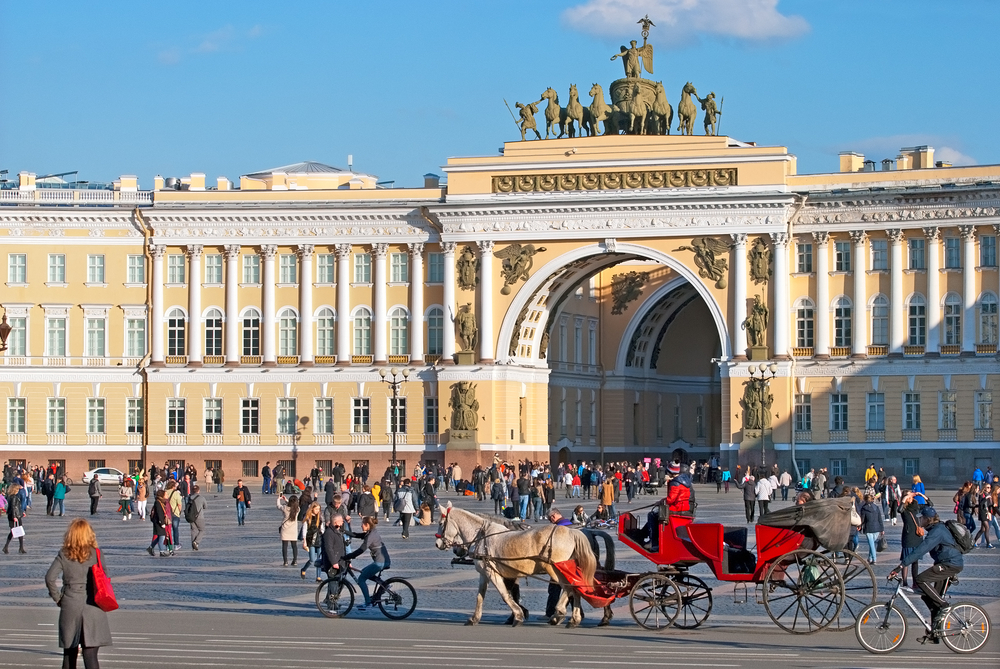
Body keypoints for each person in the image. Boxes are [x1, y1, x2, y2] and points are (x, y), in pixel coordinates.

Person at [45, 519, 113, 668]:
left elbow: (50, 578)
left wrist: (58, 598)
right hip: (93, 605)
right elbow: (105, 577)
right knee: (91, 655)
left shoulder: (64, 554)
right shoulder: (96, 553)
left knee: (69, 654)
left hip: (70, 603)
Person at [890, 506, 964, 642]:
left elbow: (921, 550)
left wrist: (901, 565)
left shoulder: (937, 531)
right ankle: (934, 635)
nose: (919, 520)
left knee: (921, 579)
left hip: (950, 564)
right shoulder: (935, 529)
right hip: (944, 563)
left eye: (921, 518)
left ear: (927, 519)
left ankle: (944, 606)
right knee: (929, 597)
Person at [346, 516, 390, 612]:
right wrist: (345, 531)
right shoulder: (371, 532)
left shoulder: (371, 536)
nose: (361, 525)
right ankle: (384, 584)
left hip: (380, 562)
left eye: (362, 524)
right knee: (364, 571)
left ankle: (368, 603)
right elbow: (358, 535)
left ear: (367, 525)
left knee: (361, 579)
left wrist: (348, 556)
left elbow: (361, 550)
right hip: (383, 560)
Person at [300, 502, 324, 581]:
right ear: (312, 508)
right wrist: (304, 541)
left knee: (319, 559)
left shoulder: (320, 517)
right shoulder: (308, 517)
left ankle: (318, 576)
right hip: (310, 540)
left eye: (319, 509)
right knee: (312, 559)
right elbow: (304, 530)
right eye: (316, 509)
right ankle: (304, 569)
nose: (317, 511)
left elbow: (322, 529)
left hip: (319, 539)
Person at [860, 493, 885, 564]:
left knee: (871, 544)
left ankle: (874, 559)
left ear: (865, 500)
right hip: (877, 527)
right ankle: (870, 558)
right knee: (872, 544)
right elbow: (880, 519)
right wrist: (882, 529)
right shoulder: (876, 507)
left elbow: (862, 519)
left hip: (868, 527)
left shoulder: (864, 508)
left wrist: (860, 526)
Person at [277, 494, 300, 567]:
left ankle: (285, 561)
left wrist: (279, 499)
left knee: (285, 546)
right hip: (293, 530)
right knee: (294, 546)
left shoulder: (285, 508)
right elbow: (292, 505)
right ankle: (295, 560)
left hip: (285, 529)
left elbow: (278, 506)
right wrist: (286, 500)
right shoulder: (297, 509)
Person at [3, 483, 26, 554]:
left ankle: (20, 547)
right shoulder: (14, 497)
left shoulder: (9, 496)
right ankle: (18, 548)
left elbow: (16, 507)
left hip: (15, 515)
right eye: (17, 489)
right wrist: (14, 517)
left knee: (15, 531)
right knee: (17, 531)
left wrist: (21, 512)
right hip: (15, 516)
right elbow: (13, 507)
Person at [147, 490, 169, 556]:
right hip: (158, 522)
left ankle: (151, 547)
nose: (167, 495)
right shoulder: (158, 502)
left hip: (158, 521)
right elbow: (159, 513)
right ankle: (161, 551)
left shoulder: (161, 502)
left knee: (160, 536)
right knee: (162, 536)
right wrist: (162, 523)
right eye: (165, 494)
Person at [973, 483, 994, 549]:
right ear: (984, 488)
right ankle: (988, 543)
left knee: (982, 529)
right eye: (988, 487)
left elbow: (989, 504)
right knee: (987, 527)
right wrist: (986, 498)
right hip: (982, 513)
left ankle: (974, 541)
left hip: (987, 513)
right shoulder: (982, 494)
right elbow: (981, 504)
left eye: (990, 487)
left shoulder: (988, 495)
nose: (989, 489)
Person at [186, 485, 207, 550]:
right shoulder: (202, 498)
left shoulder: (189, 498)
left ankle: (193, 545)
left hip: (191, 516)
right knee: (202, 530)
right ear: (198, 490)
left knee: (193, 530)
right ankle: (196, 542)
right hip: (199, 516)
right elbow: (205, 506)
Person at [164, 481, 183, 550]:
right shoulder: (176, 493)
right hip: (175, 513)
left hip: (166, 514)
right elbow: (179, 504)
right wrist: (179, 511)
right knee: (175, 529)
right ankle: (176, 544)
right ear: (173, 486)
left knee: (167, 530)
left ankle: (167, 545)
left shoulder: (165, 493)